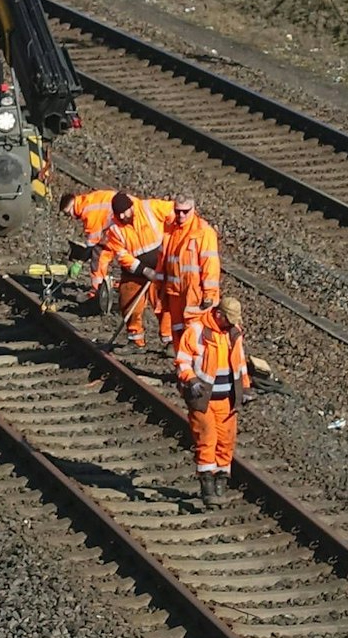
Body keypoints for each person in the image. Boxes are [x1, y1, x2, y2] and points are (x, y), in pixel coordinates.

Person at [175, 296, 250, 507]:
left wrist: (245, 388)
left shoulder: (234, 333)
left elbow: (240, 363)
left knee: (226, 441)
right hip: (203, 400)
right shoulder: (196, 330)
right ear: (219, 315)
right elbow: (182, 361)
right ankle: (207, 488)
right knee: (206, 439)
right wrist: (191, 380)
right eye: (229, 320)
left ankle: (220, 483)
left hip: (227, 399)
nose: (232, 324)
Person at [101, 192, 175, 347]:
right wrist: (144, 270)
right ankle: (135, 340)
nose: (122, 217)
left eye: (124, 212)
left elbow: (175, 213)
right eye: (119, 214)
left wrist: (173, 237)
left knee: (164, 304)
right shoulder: (114, 228)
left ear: (131, 207)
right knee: (130, 303)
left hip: (160, 267)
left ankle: (169, 340)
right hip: (135, 271)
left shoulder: (150, 208)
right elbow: (122, 255)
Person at [156, 194, 220, 350]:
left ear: (193, 209)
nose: (181, 215)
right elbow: (163, 258)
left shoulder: (203, 232)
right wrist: (158, 283)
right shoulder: (170, 229)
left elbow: (210, 265)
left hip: (194, 292)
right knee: (177, 330)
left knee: (194, 331)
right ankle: (181, 362)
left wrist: (209, 294)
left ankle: (195, 363)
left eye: (185, 211)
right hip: (174, 292)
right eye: (177, 211)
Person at [58, 188, 119, 304]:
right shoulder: (86, 201)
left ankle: (97, 292)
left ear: (72, 205)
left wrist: (79, 262)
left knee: (98, 255)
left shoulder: (88, 212)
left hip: (122, 222)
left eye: (68, 213)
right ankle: (111, 287)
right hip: (120, 219)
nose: (70, 216)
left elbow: (92, 243)